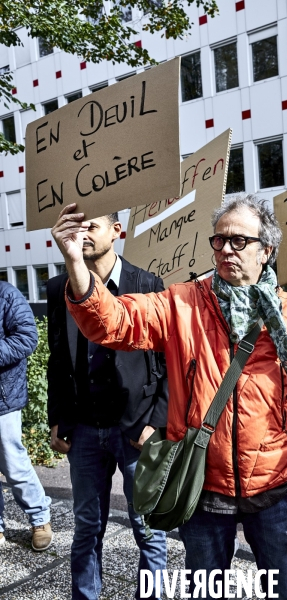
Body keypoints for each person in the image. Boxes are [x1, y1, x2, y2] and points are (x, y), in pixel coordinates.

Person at [51, 195, 287, 600]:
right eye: (219, 241)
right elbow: (111, 322)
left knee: (283, 589)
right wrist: (75, 260)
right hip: (202, 484)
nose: (226, 249)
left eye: (239, 241)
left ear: (266, 250)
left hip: (276, 487)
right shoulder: (183, 303)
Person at [47, 213, 168, 600]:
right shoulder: (57, 289)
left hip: (135, 428)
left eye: (91, 227)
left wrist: (156, 422)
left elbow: (169, 362)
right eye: (75, 228)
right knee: (86, 527)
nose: (81, 235)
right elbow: (57, 358)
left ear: (118, 231)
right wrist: (58, 418)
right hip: (83, 428)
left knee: (148, 527)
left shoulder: (148, 284)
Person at [0, 280, 53, 551]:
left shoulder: (6, 294)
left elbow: (27, 338)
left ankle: (40, 518)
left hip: (3, 398)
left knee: (13, 464)